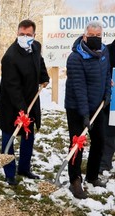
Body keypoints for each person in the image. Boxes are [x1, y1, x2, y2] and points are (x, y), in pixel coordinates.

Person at [0, 19, 49, 186]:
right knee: (9, 136)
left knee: (28, 135)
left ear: (34, 35)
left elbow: (39, 62)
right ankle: (10, 173)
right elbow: (12, 87)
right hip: (11, 104)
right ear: (17, 34)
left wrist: (44, 77)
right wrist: (22, 109)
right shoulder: (10, 57)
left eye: (28, 35)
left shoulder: (36, 47)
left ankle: (24, 168)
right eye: (21, 34)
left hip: (31, 100)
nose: (25, 37)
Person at [65, 20, 111, 199]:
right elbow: (79, 88)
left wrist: (107, 94)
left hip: (97, 106)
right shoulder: (75, 57)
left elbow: (107, 74)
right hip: (77, 107)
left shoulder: (104, 51)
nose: (95, 38)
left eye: (98, 36)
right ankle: (75, 180)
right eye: (91, 36)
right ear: (85, 36)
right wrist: (84, 114)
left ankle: (92, 176)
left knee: (99, 141)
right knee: (77, 144)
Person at [99, 40, 115, 173]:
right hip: (112, 98)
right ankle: (105, 162)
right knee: (109, 130)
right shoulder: (108, 50)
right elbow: (101, 69)